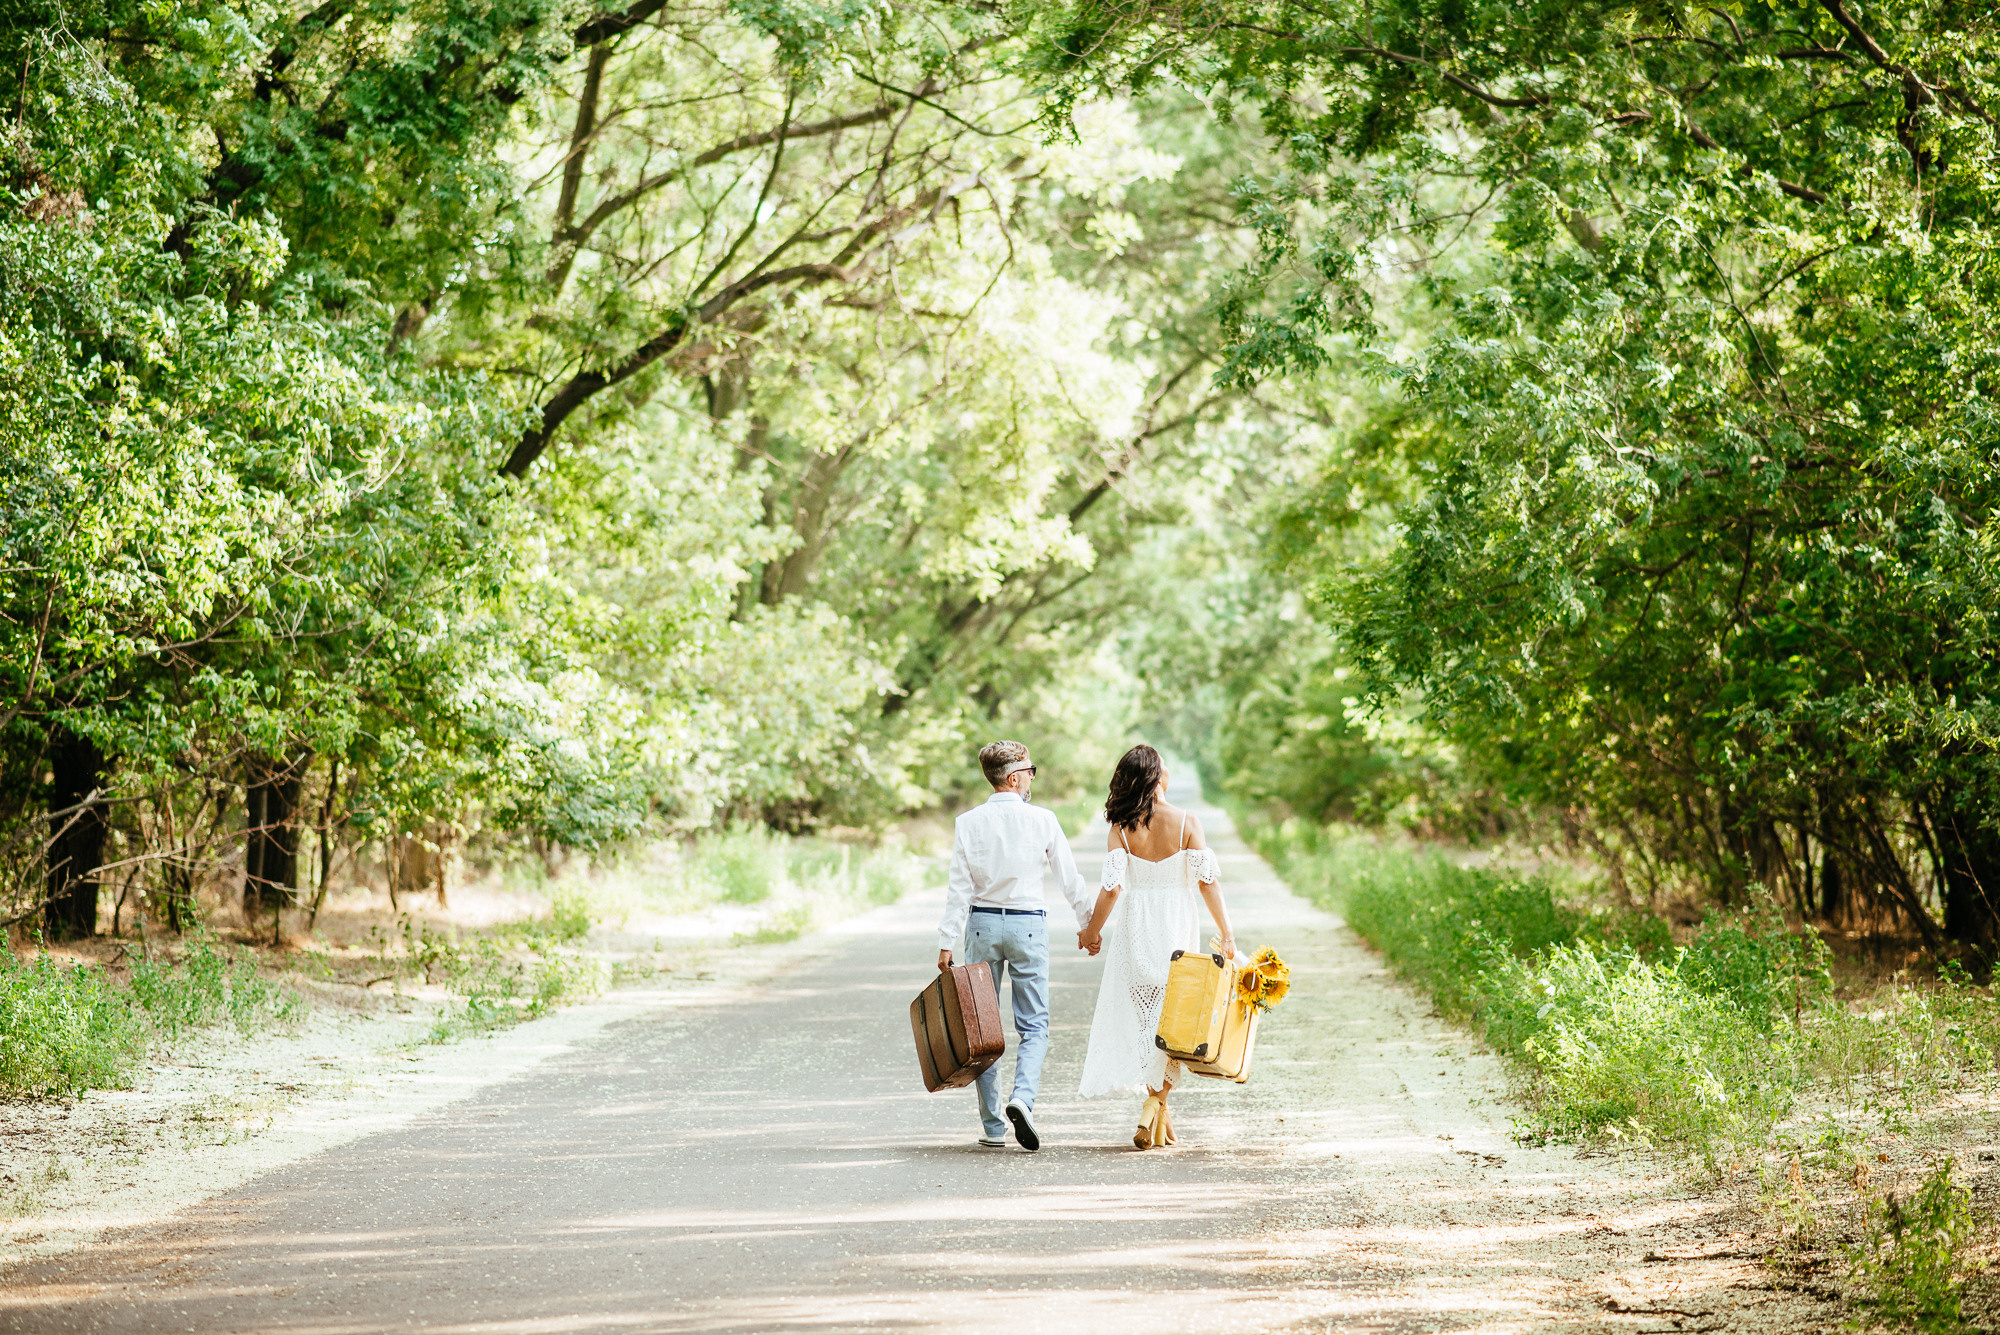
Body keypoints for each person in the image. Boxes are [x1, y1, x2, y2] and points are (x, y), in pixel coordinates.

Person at [1075, 744, 1236, 1149]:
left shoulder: (1120, 828)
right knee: (1173, 1027)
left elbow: (1111, 890)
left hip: (1136, 933)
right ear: (1155, 776)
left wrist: (1091, 932)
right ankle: (1154, 1106)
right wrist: (1227, 933)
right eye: (1164, 767)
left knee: (1151, 1026)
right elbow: (1207, 882)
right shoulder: (1185, 822)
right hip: (1176, 931)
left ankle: (1159, 1112)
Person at [936, 740, 1094, 1151]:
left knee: (983, 1029)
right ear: (1014, 777)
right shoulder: (1042, 819)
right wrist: (1088, 925)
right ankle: (1022, 1099)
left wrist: (946, 941)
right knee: (1034, 1025)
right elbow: (1069, 878)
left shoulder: (967, 822)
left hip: (982, 926)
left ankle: (992, 1128)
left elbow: (959, 887)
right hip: (1028, 927)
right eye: (1030, 771)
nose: (1032, 778)